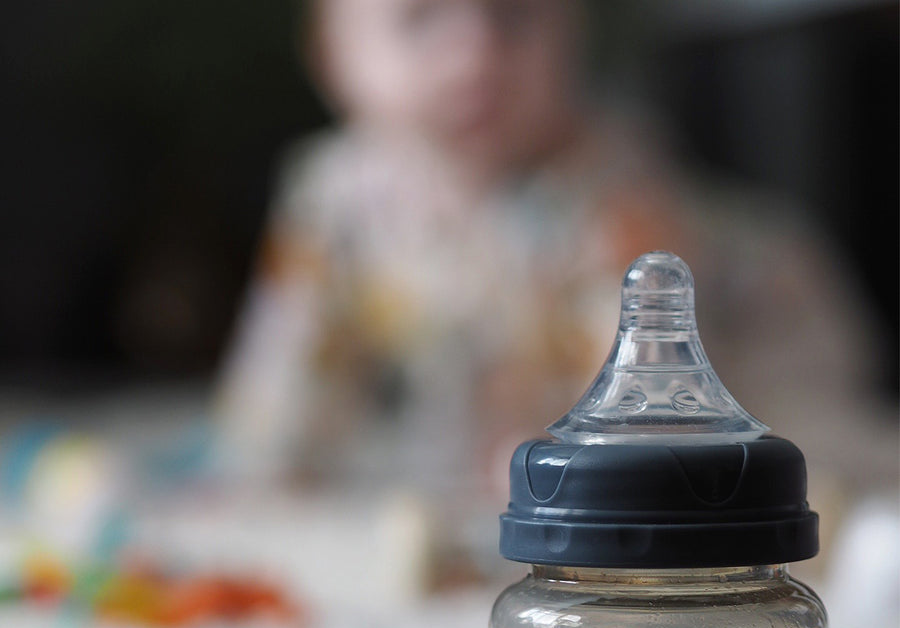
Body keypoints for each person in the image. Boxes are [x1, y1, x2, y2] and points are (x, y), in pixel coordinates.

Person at [215, 0, 896, 580]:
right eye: (420, 20)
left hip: (751, 335)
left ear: (569, 33)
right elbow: (287, 372)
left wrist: (565, 474)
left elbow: (646, 391)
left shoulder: (611, 187)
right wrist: (263, 476)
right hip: (506, 402)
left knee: (782, 480)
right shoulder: (331, 197)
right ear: (333, 56)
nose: (474, 52)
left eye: (513, 19)